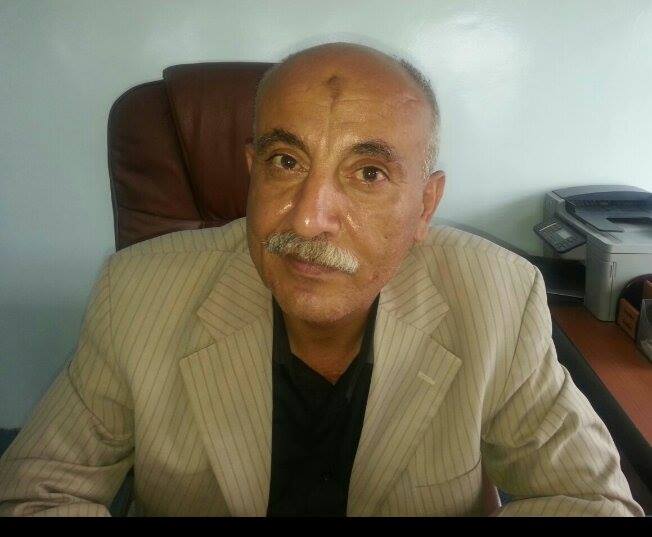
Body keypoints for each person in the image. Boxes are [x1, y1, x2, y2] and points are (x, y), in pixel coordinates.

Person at [0, 43, 643, 517]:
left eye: (368, 174)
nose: (309, 218)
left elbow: (590, 500)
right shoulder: (136, 294)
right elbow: (37, 494)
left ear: (425, 206)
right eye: (285, 161)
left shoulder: (499, 298)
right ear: (252, 172)